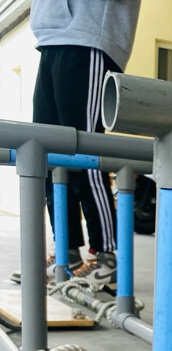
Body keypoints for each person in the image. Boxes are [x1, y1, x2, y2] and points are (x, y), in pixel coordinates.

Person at [24, 0, 142, 288]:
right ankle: (67, 252)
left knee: (85, 154)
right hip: (50, 38)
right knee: (50, 159)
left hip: (88, 36)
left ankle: (106, 257)